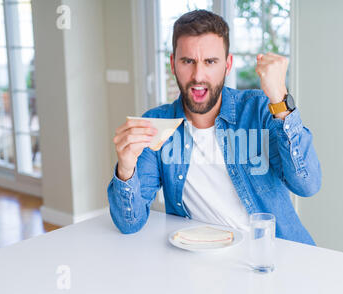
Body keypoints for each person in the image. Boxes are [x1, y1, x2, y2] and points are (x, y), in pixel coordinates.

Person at [107, 10, 321, 245]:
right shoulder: (155, 125)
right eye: (188, 61)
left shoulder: (260, 110)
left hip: (272, 257)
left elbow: (308, 185)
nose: (198, 75)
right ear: (173, 64)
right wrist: (126, 169)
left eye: (210, 62)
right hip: (199, 261)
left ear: (227, 65)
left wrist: (281, 99)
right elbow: (129, 224)